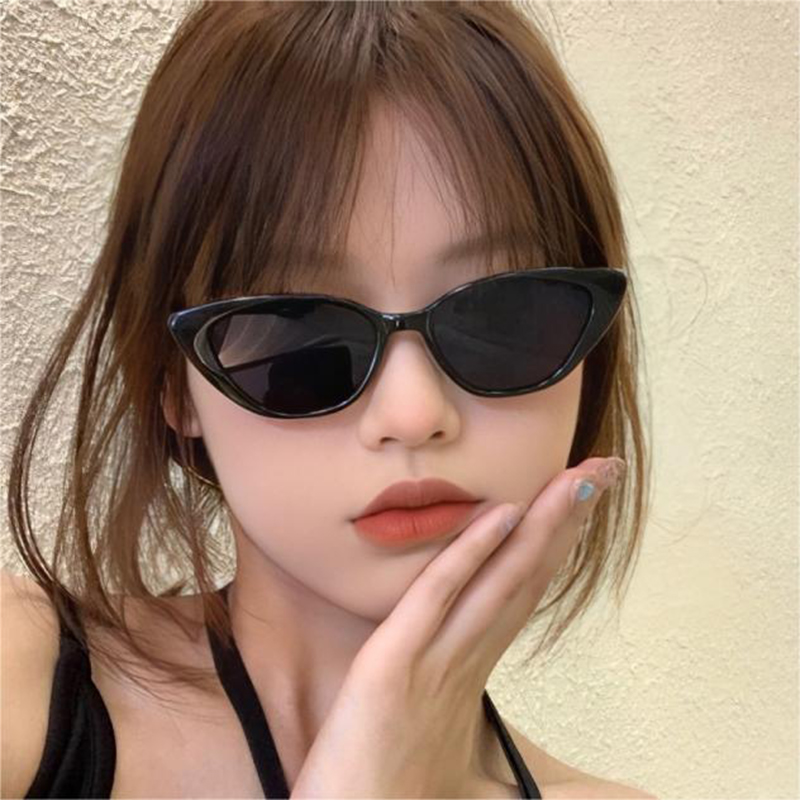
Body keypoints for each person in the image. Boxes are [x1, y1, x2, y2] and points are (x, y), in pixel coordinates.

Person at [2, 2, 655, 798]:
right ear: (175, 383)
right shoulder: (19, 681)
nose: (413, 415)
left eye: (502, 316)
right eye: (300, 334)